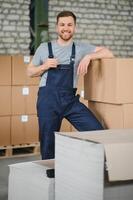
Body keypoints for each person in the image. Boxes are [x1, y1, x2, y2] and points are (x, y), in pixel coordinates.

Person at [27, 10, 114, 160]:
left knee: (96, 130)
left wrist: (89, 56)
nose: (65, 28)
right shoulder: (44, 48)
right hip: (48, 101)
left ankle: (95, 163)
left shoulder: (80, 48)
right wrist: (45, 66)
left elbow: (109, 53)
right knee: (47, 142)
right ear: (57, 27)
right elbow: (29, 72)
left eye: (69, 24)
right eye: (62, 25)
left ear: (74, 27)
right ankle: (51, 174)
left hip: (69, 101)